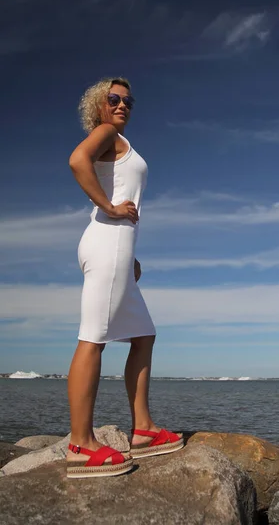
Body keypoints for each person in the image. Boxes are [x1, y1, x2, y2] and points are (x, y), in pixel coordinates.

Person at [66, 77, 183, 479]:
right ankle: (81, 443)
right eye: (113, 99)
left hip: (117, 248)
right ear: (99, 105)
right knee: (93, 338)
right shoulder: (106, 132)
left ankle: (145, 431)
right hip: (106, 242)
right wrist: (110, 208)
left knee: (143, 333)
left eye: (127, 101)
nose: (121, 106)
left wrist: (129, 257)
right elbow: (77, 161)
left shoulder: (117, 140)